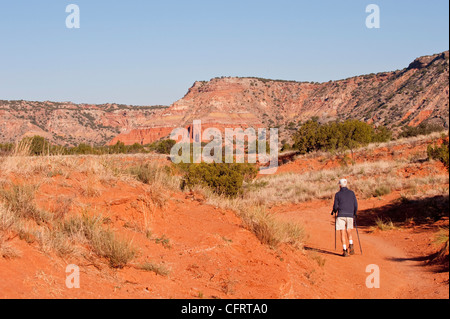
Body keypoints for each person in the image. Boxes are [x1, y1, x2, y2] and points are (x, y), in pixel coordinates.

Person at [331, 179, 358, 257]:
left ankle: (345, 250)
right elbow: (355, 204)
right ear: (346, 184)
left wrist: (334, 211)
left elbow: (335, 206)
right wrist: (355, 213)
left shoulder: (337, 194)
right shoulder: (352, 193)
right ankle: (351, 243)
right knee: (349, 230)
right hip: (350, 214)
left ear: (340, 185)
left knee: (342, 232)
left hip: (341, 215)